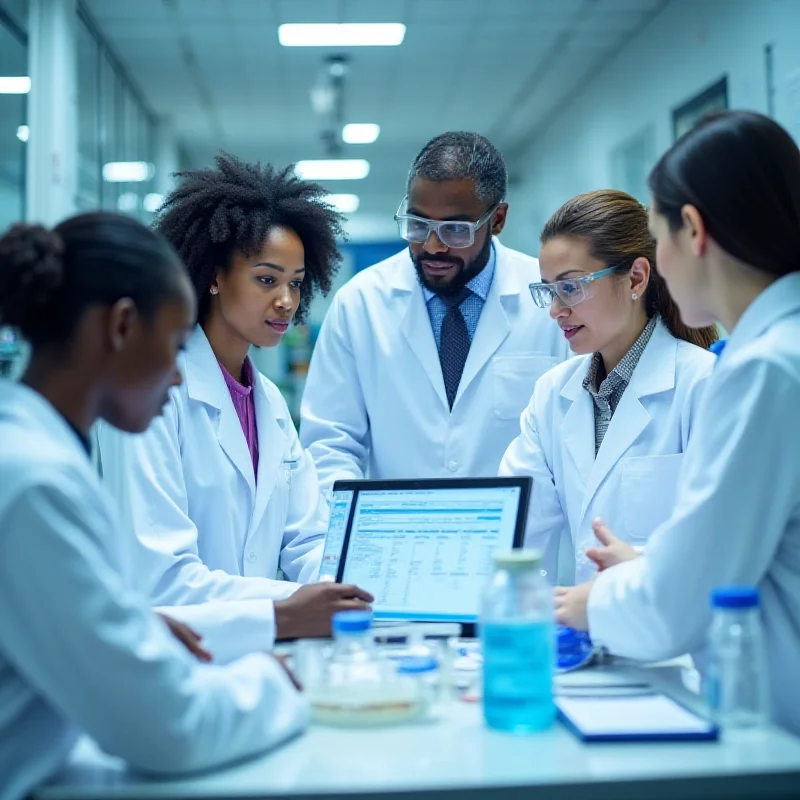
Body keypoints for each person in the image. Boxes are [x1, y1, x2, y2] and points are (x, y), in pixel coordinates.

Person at [0, 213, 310, 800]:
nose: (176, 375)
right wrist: (277, 682)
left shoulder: (32, 454)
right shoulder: (35, 484)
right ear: (120, 326)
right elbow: (173, 728)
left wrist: (130, 631)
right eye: (171, 345)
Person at [553, 111, 800, 735]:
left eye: (659, 239)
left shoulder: (767, 368)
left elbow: (682, 604)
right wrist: (649, 563)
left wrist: (589, 603)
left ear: (691, 230)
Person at [96, 153, 372, 653]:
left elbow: (309, 539)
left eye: (296, 282)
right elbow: (164, 577)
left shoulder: (266, 400)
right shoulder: (154, 394)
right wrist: (295, 606)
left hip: (259, 652)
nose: (287, 300)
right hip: (170, 658)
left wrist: (351, 586)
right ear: (214, 277)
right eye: (267, 280)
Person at [300, 132, 570, 494]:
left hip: (522, 543)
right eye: (418, 225)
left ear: (499, 218)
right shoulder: (360, 303)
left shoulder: (549, 300)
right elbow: (329, 443)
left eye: (456, 230)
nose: (433, 246)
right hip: (394, 540)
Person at [499, 190, 717, 583]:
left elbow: (721, 540)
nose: (555, 310)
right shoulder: (552, 395)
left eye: (570, 287)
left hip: (673, 638)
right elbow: (515, 527)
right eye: (548, 290)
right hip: (584, 630)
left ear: (636, 278)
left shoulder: (703, 382)